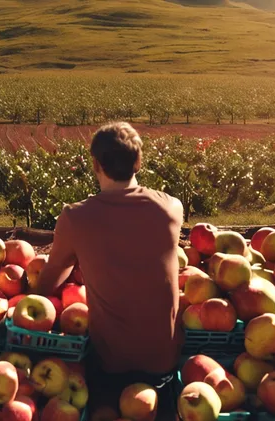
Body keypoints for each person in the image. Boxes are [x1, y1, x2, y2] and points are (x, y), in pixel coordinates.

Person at [32, 122, 184, 420]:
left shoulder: (76, 218)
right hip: (164, 360)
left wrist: (27, 300)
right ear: (138, 162)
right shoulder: (171, 209)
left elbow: (50, 282)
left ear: (95, 165)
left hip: (109, 362)